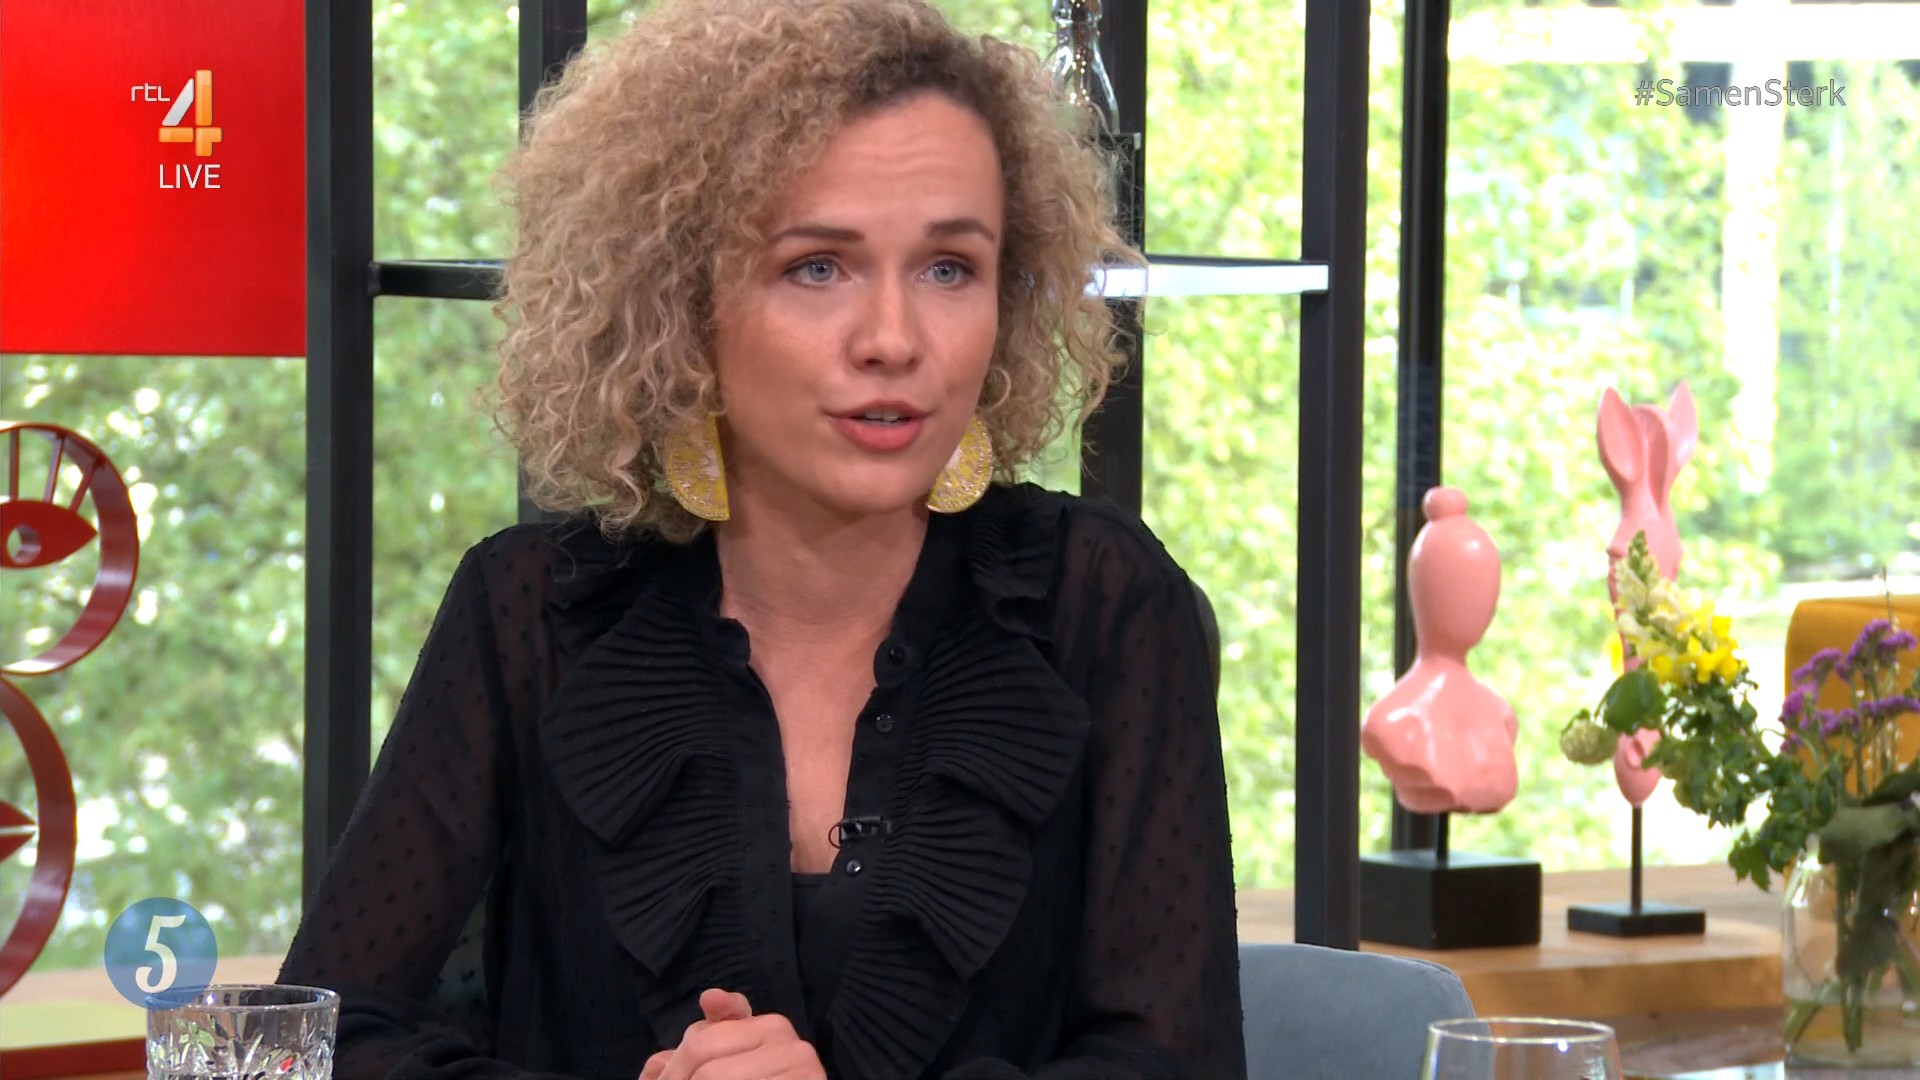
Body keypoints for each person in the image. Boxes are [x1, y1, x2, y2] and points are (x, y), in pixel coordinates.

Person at [278, 0, 1244, 1076]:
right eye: (817, 267)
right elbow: (320, 1039)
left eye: (949, 268)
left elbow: (1179, 1063)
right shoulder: (530, 615)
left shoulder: (1101, 603)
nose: (893, 341)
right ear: (679, 301)